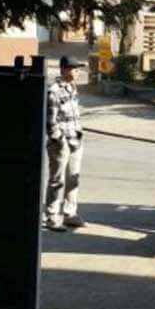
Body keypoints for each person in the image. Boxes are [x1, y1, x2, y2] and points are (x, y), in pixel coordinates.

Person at [44, 55, 87, 232]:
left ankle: (70, 213)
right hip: (61, 143)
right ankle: (52, 216)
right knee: (57, 180)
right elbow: (51, 122)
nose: (77, 72)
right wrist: (59, 141)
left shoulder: (71, 87)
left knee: (73, 178)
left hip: (76, 139)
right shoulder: (54, 90)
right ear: (63, 70)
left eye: (77, 69)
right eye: (73, 68)